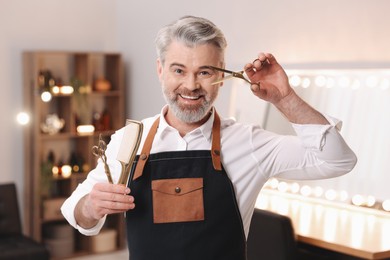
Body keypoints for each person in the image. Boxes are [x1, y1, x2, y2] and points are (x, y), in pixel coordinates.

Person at [61, 15, 357, 260]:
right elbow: (78, 216)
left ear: (222, 76)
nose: (191, 86)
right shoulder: (131, 139)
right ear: (160, 70)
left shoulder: (248, 142)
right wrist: (91, 205)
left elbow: (337, 161)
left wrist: (285, 98)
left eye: (204, 72)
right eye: (179, 70)